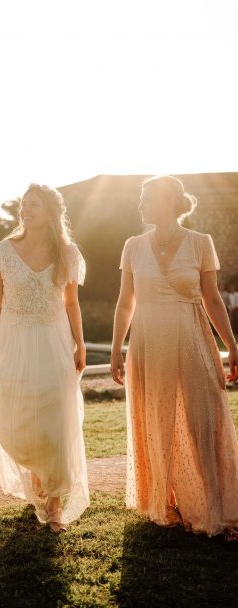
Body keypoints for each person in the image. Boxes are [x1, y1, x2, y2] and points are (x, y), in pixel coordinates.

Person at [111, 175, 238, 541]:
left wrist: (232, 344)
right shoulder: (133, 246)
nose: (140, 205)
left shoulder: (200, 243)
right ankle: (165, 501)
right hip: (148, 342)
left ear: (168, 201)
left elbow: (213, 299)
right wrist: (118, 346)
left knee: (203, 418)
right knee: (157, 418)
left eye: (146, 198)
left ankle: (217, 511)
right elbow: (125, 302)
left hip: (193, 336)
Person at [0, 183, 89, 532]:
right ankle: (38, 470)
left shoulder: (67, 253)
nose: (26, 209)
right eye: (23, 204)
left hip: (53, 341)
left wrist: (80, 344)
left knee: (56, 421)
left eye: (34, 204)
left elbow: (71, 303)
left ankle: (54, 503)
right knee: (13, 411)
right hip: (12, 341)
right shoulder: (1, 251)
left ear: (51, 211)